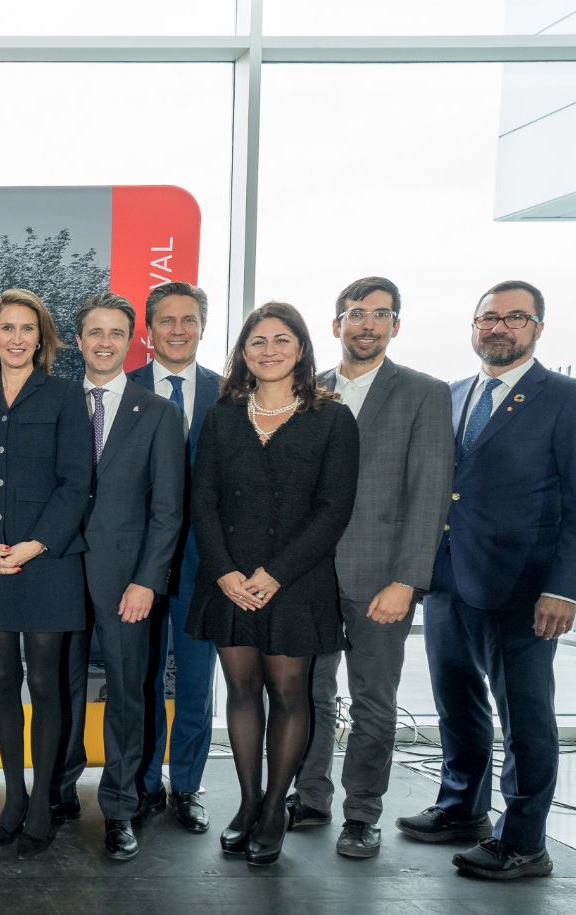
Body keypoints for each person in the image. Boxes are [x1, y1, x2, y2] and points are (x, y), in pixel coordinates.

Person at [395, 281, 576, 880]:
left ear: (538, 328)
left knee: (525, 718)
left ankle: (523, 842)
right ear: (473, 326)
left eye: (515, 318)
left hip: (524, 588)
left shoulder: (575, 400)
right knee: (456, 702)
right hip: (447, 580)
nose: (499, 327)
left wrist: (565, 588)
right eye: (488, 317)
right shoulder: (453, 394)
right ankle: (461, 808)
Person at [186, 301, 359, 867]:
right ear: (242, 352)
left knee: (288, 693)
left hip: (297, 582)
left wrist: (274, 574)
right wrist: (226, 572)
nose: (268, 350)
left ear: (302, 348)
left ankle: (274, 810)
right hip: (229, 579)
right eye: (257, 341)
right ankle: (249, 801)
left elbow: (333, 510)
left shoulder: (332, 419)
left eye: (281, 340)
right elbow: (203, 502)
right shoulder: (222, 417)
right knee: (240, 692)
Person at [287, 277, 453, 858]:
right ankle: (310, 797)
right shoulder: (309, 390)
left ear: (396, 326)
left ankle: (362, 813)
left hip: (382, 577)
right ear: (336, 325)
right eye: (356, 313)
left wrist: (407, 580)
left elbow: (430, 492)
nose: (367, 324)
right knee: (308, 692)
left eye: (380, 314)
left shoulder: (424, 393)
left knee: (373, 700)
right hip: (307, 574)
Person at [0, 289, 90, 858]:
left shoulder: (63, 397)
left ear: (42, 338)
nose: (16, 337)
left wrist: (32, 547)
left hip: (49, 563)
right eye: (6, 327)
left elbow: (76, 483)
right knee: (3, 684)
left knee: (45, 685)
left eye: (27, 328)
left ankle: (42, 807)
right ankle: (12, 799)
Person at [68, 292, 184, 861]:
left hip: (126, 583)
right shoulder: (58, 402)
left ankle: (120, 808)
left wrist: (147, 580)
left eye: (117, 332)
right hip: (56, 572)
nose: (105, 342)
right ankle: (59, 794)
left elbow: (168, 510)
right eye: (95, 332)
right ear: (79, 339)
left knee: (127, 698)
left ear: (132, 340)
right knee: (57, 690)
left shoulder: (158, 412)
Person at [127, 281, 223, 834]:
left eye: (189, 320)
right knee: (138, 679)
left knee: (194, 680)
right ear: (149, 330)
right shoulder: (124, 387)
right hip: (138, 560)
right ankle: (143, 786)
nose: (179, 329)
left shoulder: (229, 392)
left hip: (203, 563)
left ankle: (187, 786)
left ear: (202, 327)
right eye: (167, 320)